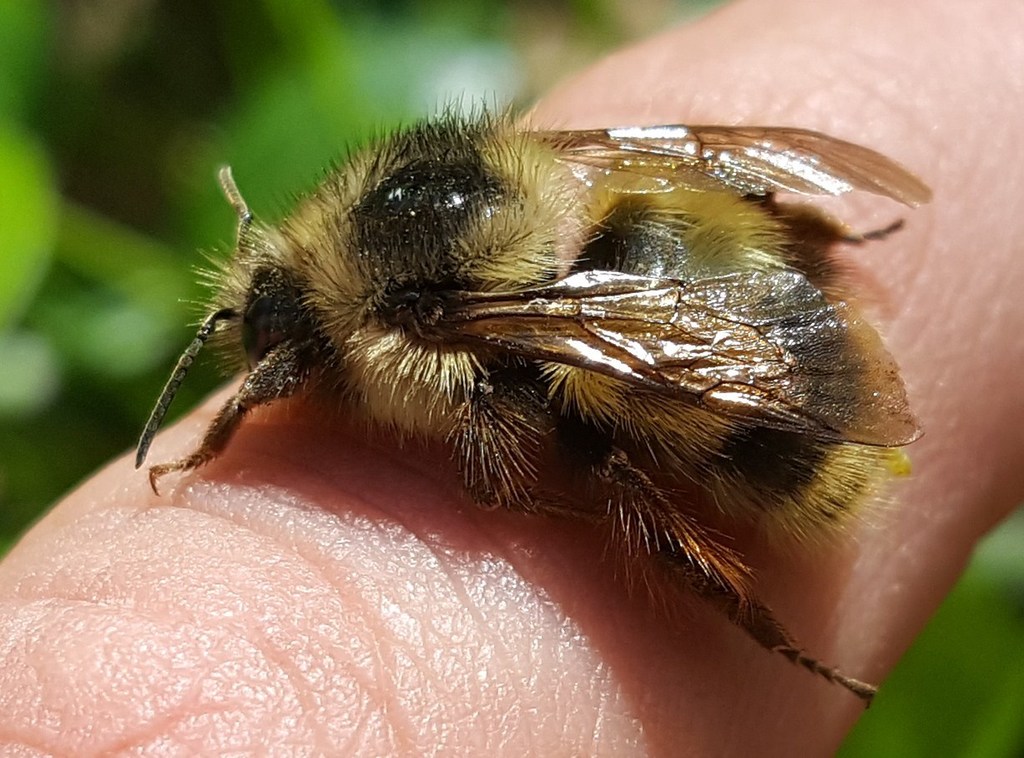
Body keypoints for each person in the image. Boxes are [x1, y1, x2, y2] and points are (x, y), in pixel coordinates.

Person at [1, 0, 1021, 753]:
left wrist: (224, 447)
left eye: (278, 349)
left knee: (610, 464)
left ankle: (763, 630)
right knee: (640, 224)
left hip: (758, 395)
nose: (270, 372)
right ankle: (817, 244)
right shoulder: (445, 202)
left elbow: (492, 447)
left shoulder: (405, 306)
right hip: (671, 275)